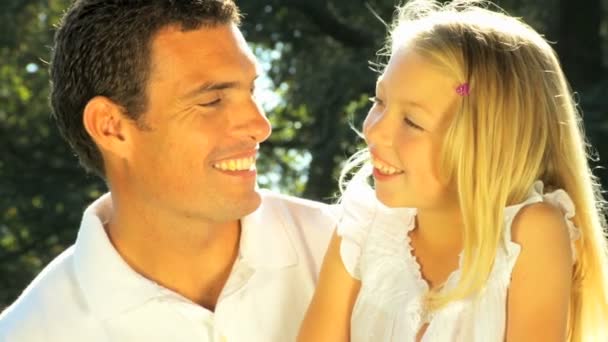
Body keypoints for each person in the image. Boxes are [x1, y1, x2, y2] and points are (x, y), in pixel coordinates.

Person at [0, 1, 336, 341]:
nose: (260, 126)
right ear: (111, 127)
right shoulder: (29, 333)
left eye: (251, 90)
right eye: (211, 102)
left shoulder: (352, 252)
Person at [298, 0, 608, 341]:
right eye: (380, 101)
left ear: (488, 145)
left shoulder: (528, 234)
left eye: (412, 122)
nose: (375, 130)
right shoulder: (363, 230)